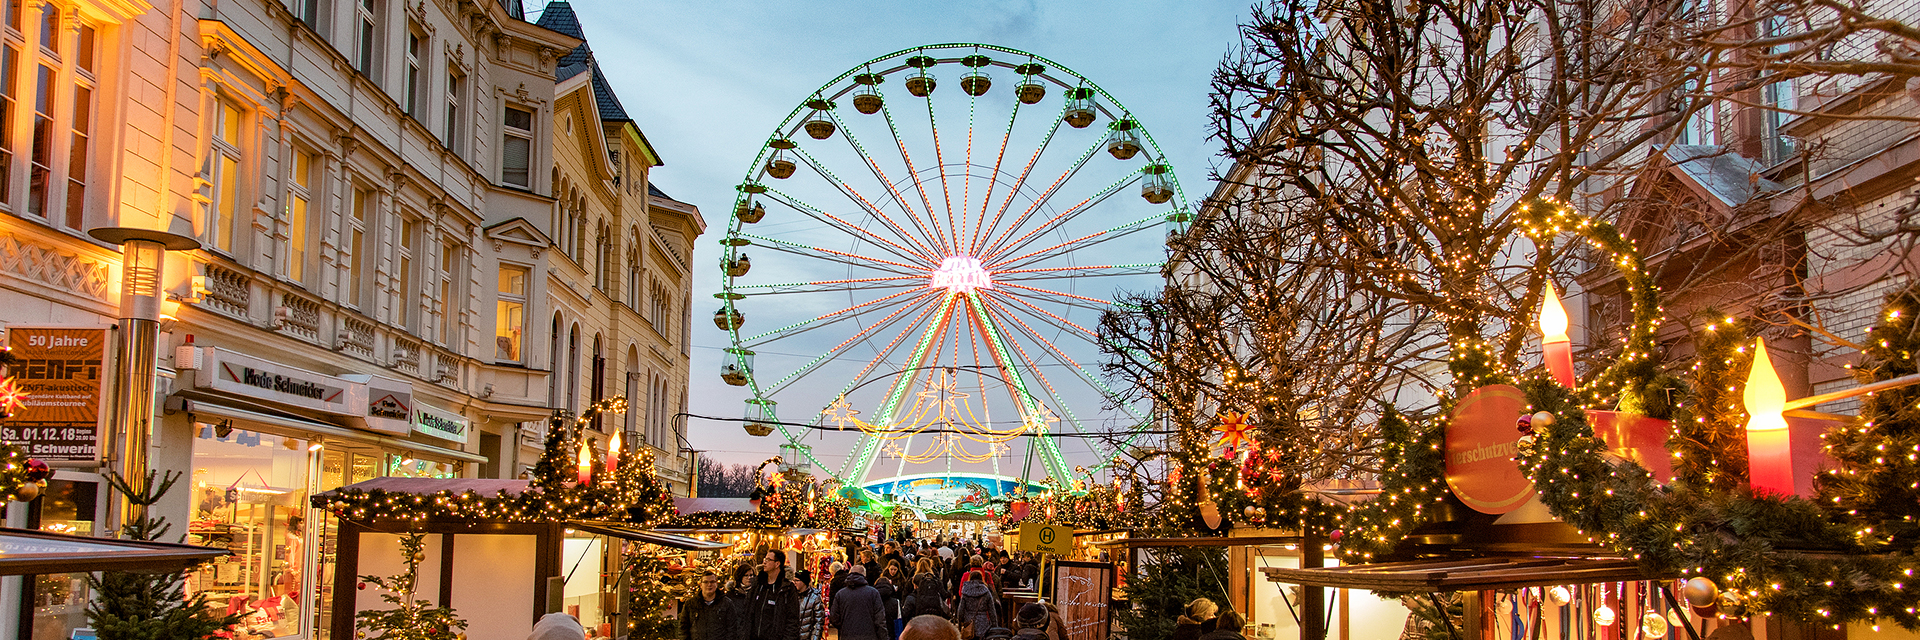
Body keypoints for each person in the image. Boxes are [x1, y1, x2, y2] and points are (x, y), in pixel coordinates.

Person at [744, 550, 801, 640]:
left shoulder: (786, 589)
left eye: (768, 559)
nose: (764, 562)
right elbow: (748, 612)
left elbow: (792, 620)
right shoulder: (758, 585)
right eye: (765, 559)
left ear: (777, 564)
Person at [831, 565, 888, 640]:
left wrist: (845, 626)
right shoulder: (873, 593)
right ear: (864, 576)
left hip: (847, 635)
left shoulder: (840, 594)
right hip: (869, 636)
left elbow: (834, 618)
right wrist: (883, 637)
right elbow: (880, 619)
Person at [683, 573, 741, 640]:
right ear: (701, 585)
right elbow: (683, 627)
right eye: (706, 582)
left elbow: (732, 628)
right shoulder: (691, 604)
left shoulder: (726, 603)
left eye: (712, 582)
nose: (709, 585)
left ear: (716, 584)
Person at [953, 574, 999, 640]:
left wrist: (960, 623)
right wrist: (994, 626)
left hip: (969, 622)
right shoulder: (986, 591)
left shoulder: (965, 591)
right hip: (983, 624)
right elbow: (992, 611)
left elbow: (961, 609)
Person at [795, 570, 825, 640]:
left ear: (804, 582)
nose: (794, 582)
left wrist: (815, 638)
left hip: (808, 636)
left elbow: (819, 621)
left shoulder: (815, 597)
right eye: (794, 580)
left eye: (797, 580)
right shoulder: (792, 596)